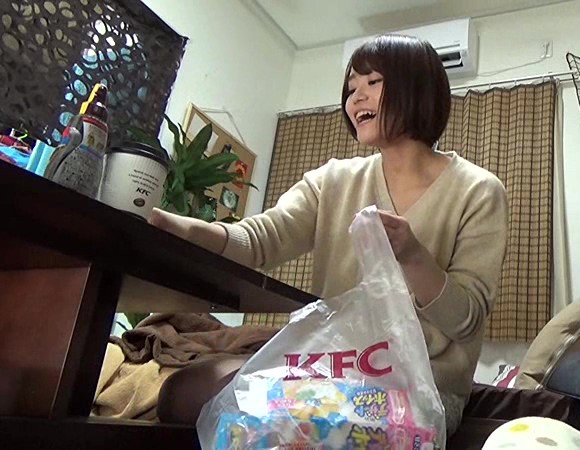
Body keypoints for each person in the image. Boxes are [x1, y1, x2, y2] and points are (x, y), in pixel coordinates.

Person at [149, 34, 509, 436]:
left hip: (422, 387)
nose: (356, 98)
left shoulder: (478, 190)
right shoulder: (333, 180)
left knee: (333, 426)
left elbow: (466, 320)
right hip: (327, 371)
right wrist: (177, 226)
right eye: (351, 88)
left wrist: (412, 254)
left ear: (417, 87)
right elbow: (260, 240)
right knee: (182, 394)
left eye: (373, 82)